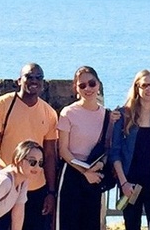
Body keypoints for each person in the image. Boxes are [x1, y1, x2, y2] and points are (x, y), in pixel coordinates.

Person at [0, 63, 60, 230]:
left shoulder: (49, 113)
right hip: (8, 185)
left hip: (36, 189)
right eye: (29, 77)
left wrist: (51, 192)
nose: (34, 81)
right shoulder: (1, 105)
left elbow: (50, 155)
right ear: (19, 80)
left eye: (38, 77)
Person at [112, 69, 150, 230]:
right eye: (144, 85)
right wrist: (123, 183)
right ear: (137, 88)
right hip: (130, 185)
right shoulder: (123, 115)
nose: (149, 89)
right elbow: (115, 152)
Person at [56, 66, 116, 230]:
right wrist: (85, 172)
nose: (88, 88)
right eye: (82, 85)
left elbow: (106, 147)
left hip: (94, 173)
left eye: (91, 83)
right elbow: (64, 151)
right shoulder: (68, 113)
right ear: (76, 88)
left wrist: (100, 166)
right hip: (71, 175)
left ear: (98, 84)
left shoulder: (107, 115)